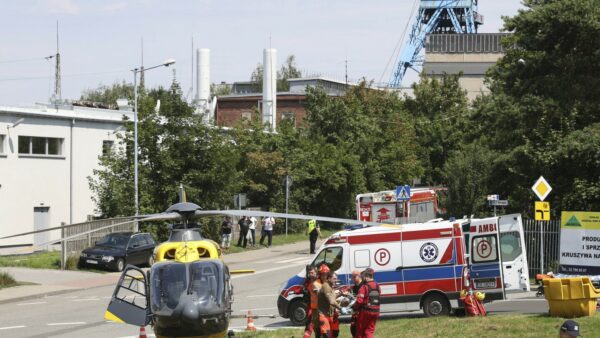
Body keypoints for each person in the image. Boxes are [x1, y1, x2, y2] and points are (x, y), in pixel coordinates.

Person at [351, 268, 380, 338]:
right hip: (376, 311)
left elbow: (359, 301)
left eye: (363, 277)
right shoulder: (377, 286)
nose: (362, 279)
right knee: (369, 331)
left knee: (359, 332)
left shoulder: (364, 287)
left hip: (365, 312)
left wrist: (354, 308)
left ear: (366, 277)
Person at [317, 268, 341, 338]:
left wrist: (341, 294)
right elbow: (331, 301)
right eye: (334, 278)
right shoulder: (325, 286)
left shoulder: (331, 286)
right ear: (329, 278)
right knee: (326, 335)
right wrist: (341, 308)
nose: (336, 280)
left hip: (331, 315)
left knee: (335, 333)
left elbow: (332, 297)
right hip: (324, 315)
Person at [303, 265, 318, 338]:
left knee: (319, 328)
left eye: (312, 273)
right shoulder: (307, 282)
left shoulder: (319, 281)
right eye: (309, 273)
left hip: (319, 309)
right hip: (311, 307)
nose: (310, 275)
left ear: (316, 272)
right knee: (309, 326)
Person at [349, 270, 363, 337]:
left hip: (362, 310)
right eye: (352, 277)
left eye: (354, 277)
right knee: (353, 329)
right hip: (355, 310)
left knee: (360, 329)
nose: (353, 279)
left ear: (359, 276)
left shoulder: (363, 286)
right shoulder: (354, 287)